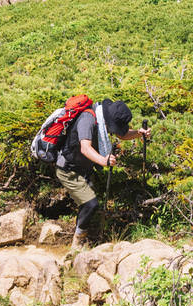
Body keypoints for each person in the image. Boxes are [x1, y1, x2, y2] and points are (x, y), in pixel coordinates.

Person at [54, 98, 150, 249]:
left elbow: (122, 134)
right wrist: (103, 160)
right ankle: (77, 244)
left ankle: (85, 235)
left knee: (88, 203)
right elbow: (85, 148)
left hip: (84, 169)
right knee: (90, 204)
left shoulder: (102, 118)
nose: (115, 129)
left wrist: (139, 133)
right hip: (68, 170)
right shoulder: (88, 119)